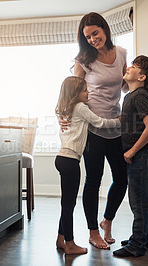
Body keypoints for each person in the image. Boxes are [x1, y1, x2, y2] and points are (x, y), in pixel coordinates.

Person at [72, 12, 128, 250]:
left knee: (122, 177)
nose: (93, 39)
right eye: (88, 36)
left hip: (116, 125)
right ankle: (93, 232)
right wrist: (63, 116)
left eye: (95, 33)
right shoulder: (84, 60)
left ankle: (107, 220)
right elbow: (72, 92)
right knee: (93, 180)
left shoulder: (122, 53)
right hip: (92, 127)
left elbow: (125, 84)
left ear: (104, 29)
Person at [54, 76, 121, 255]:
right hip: (70, 161)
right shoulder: (81, 107)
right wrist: (119, 121)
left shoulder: (64, 108)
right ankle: (69, 244)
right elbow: (100, 122)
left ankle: (61, 238)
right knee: (68, 205)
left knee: (66, 203)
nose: (88, 92)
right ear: (76, 94)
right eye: (84, 90)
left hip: (62, 158)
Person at [113, 55, 148, 257]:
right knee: (139, 199)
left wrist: (132, 151)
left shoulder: (140, 95)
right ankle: (143, 237)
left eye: (133, 67)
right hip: (141, 156)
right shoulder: (131, 96)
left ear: (141, 76)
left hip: (142, 155)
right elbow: (135, 122)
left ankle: (137, 245)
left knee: (137, 201)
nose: (128, 67)